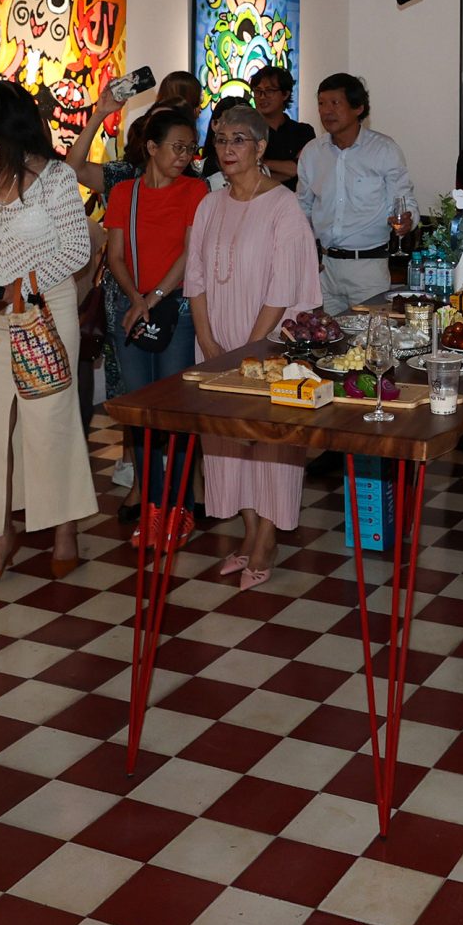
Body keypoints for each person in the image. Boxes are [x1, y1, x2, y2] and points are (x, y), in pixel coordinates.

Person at [0, 81, 96, 587]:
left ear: (0, 126)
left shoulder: (55, 177)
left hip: (47, 312)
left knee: (50, 421)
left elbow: (76, 249)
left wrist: (21, 284)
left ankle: (65, 529)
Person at [189, 108, 324, 589]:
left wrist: (249, 349)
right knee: (225, 442)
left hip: (268, 346)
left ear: (261, 147)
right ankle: (247, 532)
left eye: (239, 140)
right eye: (221, 139)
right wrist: (208, 341)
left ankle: (267, 538)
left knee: (271, 443)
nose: (228, 149)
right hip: (215, 343)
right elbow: (195, 278)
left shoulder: (283, 207)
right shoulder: (209, 204)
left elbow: (284, 289)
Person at [104, 105, 210, 524]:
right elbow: (115, 255)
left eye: (190, 148)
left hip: (176, 309)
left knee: (176, 408)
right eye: (177, 147)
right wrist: (136, 298)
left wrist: (153, 297)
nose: (185, 156)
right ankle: (150, 498)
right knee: (139, 408)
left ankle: (181, 499)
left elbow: (190, 253)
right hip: (131, 308)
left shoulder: (195, 191)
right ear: (151, 147)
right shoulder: (124, 193)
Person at [296, 73, 413, 316]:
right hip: (323, 268)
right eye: (321, 103)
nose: (326, 111)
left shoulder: (384, 150)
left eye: (335, 103)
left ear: (358, 107)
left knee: (370, 336)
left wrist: (406, 223)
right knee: (323, 336)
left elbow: (404, 202)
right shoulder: (312, 153)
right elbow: (302, 209)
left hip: (368, 268)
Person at [251, 65, 313, 188]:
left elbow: (299, 169)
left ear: (285, 94)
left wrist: (263, 163)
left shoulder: (303, 131)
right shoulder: (249, 132)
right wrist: (290, 169)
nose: (262, 97)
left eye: (269, 91)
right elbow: (250, 177)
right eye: (258, 91)